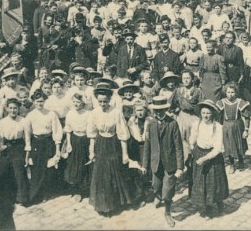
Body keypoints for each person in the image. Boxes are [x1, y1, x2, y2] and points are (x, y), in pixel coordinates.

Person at [87, 82, 134, 216]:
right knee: (102, 174)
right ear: (97, 100)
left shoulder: (116, 112)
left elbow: (122, 133)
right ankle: (103, 205)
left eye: (105, 101)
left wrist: (125, 154)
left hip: (113, 144)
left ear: (109, 99)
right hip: (101, 143)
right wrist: (91, 151)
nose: (103, 104)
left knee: (113, 172)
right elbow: (92, 134)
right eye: (100, 101)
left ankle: (114, 204)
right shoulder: (94, 113)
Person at [142, 96, 184, 227]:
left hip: (169, 163)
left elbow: (178, 146)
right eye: (156, 111)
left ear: (165, 109)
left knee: (168, 190)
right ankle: (158, 195)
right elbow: (147, 146)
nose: (158, 113)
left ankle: (168, 212)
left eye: (161, 111)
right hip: (156, 163)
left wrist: (180, 167)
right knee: (156, 185)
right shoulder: (150, 124)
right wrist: (144, 164)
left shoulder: (172, 123)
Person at [189, 100, 229, 218]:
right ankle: (207, 208)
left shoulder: (218, 127)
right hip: (199, 153)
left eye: (208, 113)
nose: (205, 116)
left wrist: (205, 158)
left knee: (215, 182)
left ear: (212, 114)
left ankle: (219, 204)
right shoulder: (197, 124)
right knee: (201, 182)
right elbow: (193, 137)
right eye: (203, 113)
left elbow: (217, 149)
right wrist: (192, 145)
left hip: (213, 157)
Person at [24, 89, 63, 204]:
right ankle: (36, 194)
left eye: (41, 101)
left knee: (48, 168)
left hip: (48, 142)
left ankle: (47, 192)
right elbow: (27, 134)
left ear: (44, 101)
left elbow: (57, 131)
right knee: (36, 169)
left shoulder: (51, 114)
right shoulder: (30, 116)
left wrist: (57, 149)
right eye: (37, 101)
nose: (39, 104)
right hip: (36, 143)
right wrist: (28, 151)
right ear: (34, 102)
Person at [216, 82, 251, 174]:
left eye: (232, 92)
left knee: (239, 143)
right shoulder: (222, 102)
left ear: (236, 92)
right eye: (228, 92)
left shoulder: (240, 102)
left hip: (238, 125)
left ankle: (241, 160)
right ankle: (231, 164)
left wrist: (246, 130)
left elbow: (247, 117)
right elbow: (216, 114)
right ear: (225, 92)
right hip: (226, 126)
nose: (230, 94)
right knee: (228, 145)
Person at [63, 93, 91, 202]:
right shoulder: (70, 113)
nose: (76, 104)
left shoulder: (88, 114)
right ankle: (76, 190)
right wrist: (69, 144)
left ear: (83, 103)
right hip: (74, 140)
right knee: (74, 165)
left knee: (84, 164)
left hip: (85, 140)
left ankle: (85, 190)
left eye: (78, 102)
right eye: (74, 102)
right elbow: (68, 130)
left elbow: (90, 129)